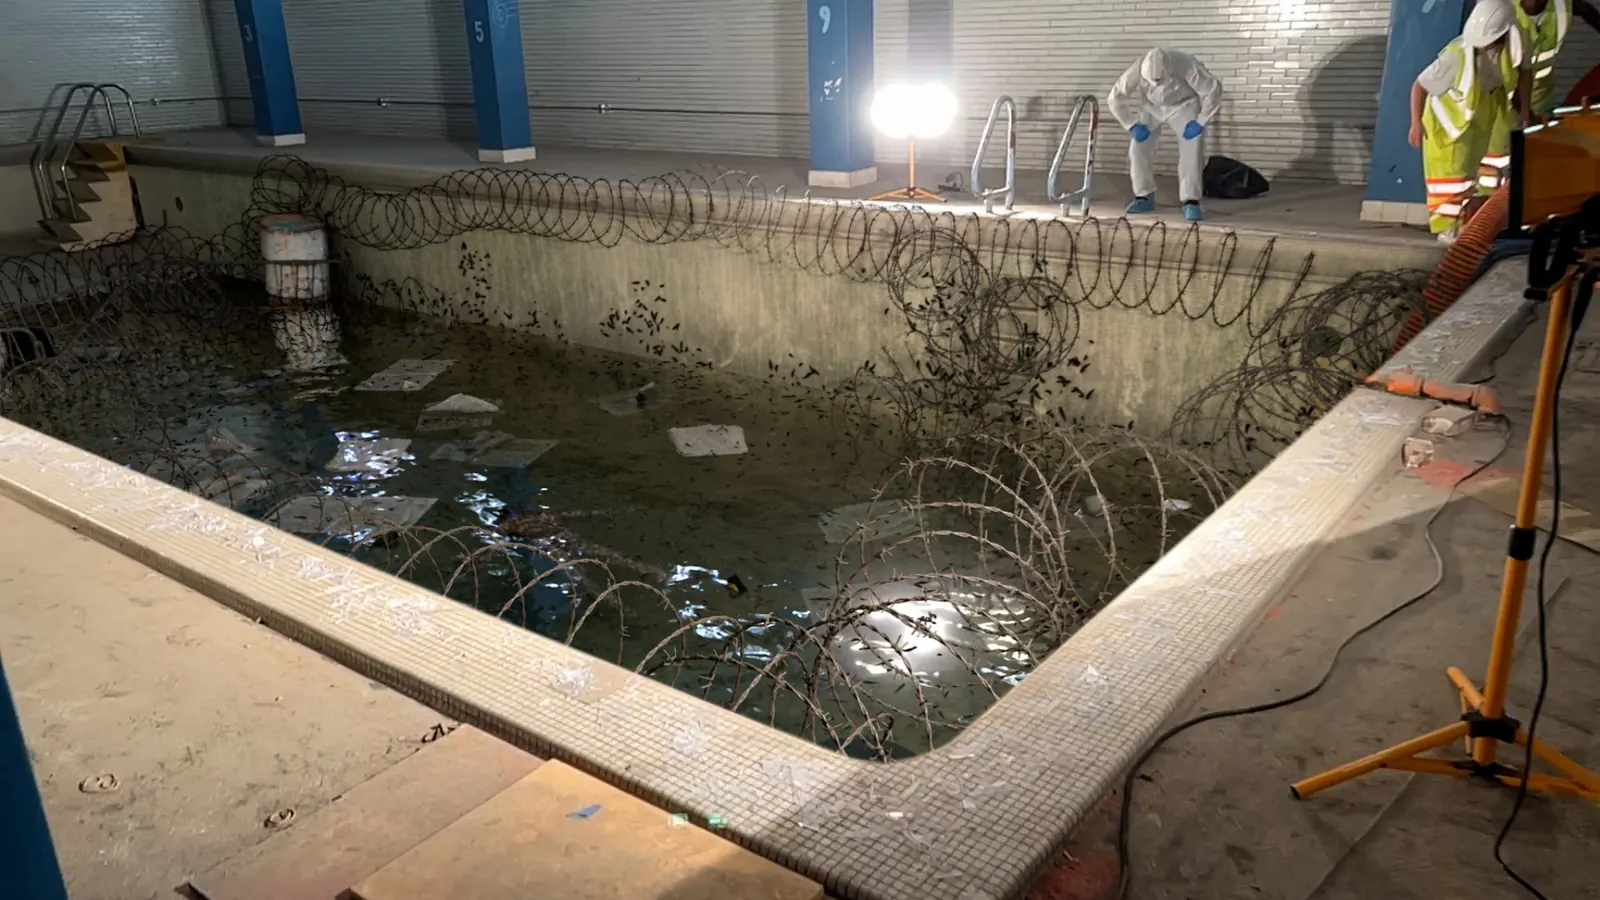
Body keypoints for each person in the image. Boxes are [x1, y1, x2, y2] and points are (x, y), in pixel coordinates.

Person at [1409, 0, 1521, 243]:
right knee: (1449, 179)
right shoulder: (1456, 56)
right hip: (1447, 126)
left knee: (1468, 176)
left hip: (1474, 121)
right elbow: (1420, 85)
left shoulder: (1504, 51)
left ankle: (1462, 225)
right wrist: (1416, 124)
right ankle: (1446, 229)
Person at [1107, 48, 1224, 222]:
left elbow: (1213, 90)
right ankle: (1144, 195)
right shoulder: (1138, 67)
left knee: (1192, 146)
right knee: (1138, 148)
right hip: (1151, 108)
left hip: (1183, 105)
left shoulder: (1186, 64)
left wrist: (1200, 121)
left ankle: (1190, 200)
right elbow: (1115, 97)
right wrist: (1130, 125)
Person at [1517, 0, 1600, 118]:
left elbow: (1586, 10)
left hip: (1541, 103)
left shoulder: (1560, 6)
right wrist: (1523, 108)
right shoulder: (1503, 9)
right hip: (1507, 107)